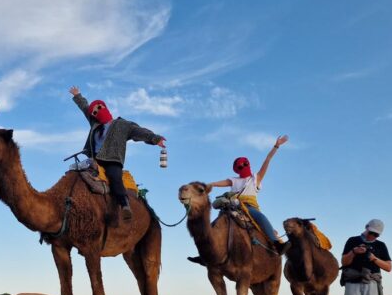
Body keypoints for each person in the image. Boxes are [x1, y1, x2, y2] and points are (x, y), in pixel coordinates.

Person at [69, 86, 166, 224]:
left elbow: (139, 132)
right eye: (94, 112)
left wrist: (155, 139)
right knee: (74, 171)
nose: (96, 112)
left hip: (112, 159)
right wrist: (77, 95)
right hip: (94, 159)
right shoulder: (95, 124)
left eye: (98, 108)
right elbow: (86, 108)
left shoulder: (122, 125)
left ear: (105, 107)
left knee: (114, 177)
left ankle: (124, 204)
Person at [188, 135, 288, 264]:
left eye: (244, 164)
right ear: (237, 169)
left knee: (261, 218)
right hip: (232, 207)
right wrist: (210, 184)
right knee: (213, 226)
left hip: (249, 207)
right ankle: (204, 254)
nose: (243, 167)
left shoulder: (255, 178)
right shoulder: (234, 180)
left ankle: (277, 244)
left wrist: (276, 146)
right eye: (240, 166)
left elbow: (267, 160)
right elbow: (220, 183)